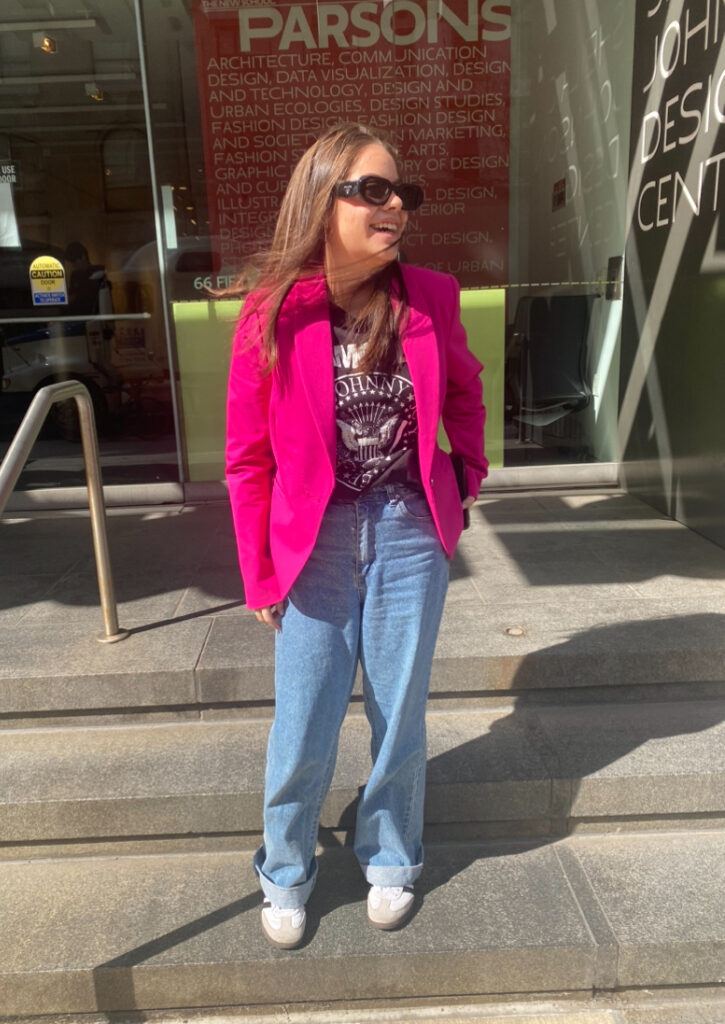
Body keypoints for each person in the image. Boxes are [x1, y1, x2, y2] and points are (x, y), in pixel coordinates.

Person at [225, 123, 487, 950]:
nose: (394, 206)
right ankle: (285, 870)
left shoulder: (431, 296)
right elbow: (246, 457)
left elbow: (467, 398)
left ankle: (389, 859)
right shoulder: (272, 312)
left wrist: (463, 483)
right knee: (302, 719)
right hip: (316, 540)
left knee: (397, 712)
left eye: (401, 192)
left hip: (409, 529)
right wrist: (259, 574)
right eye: (370, 189)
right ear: (321, 197)